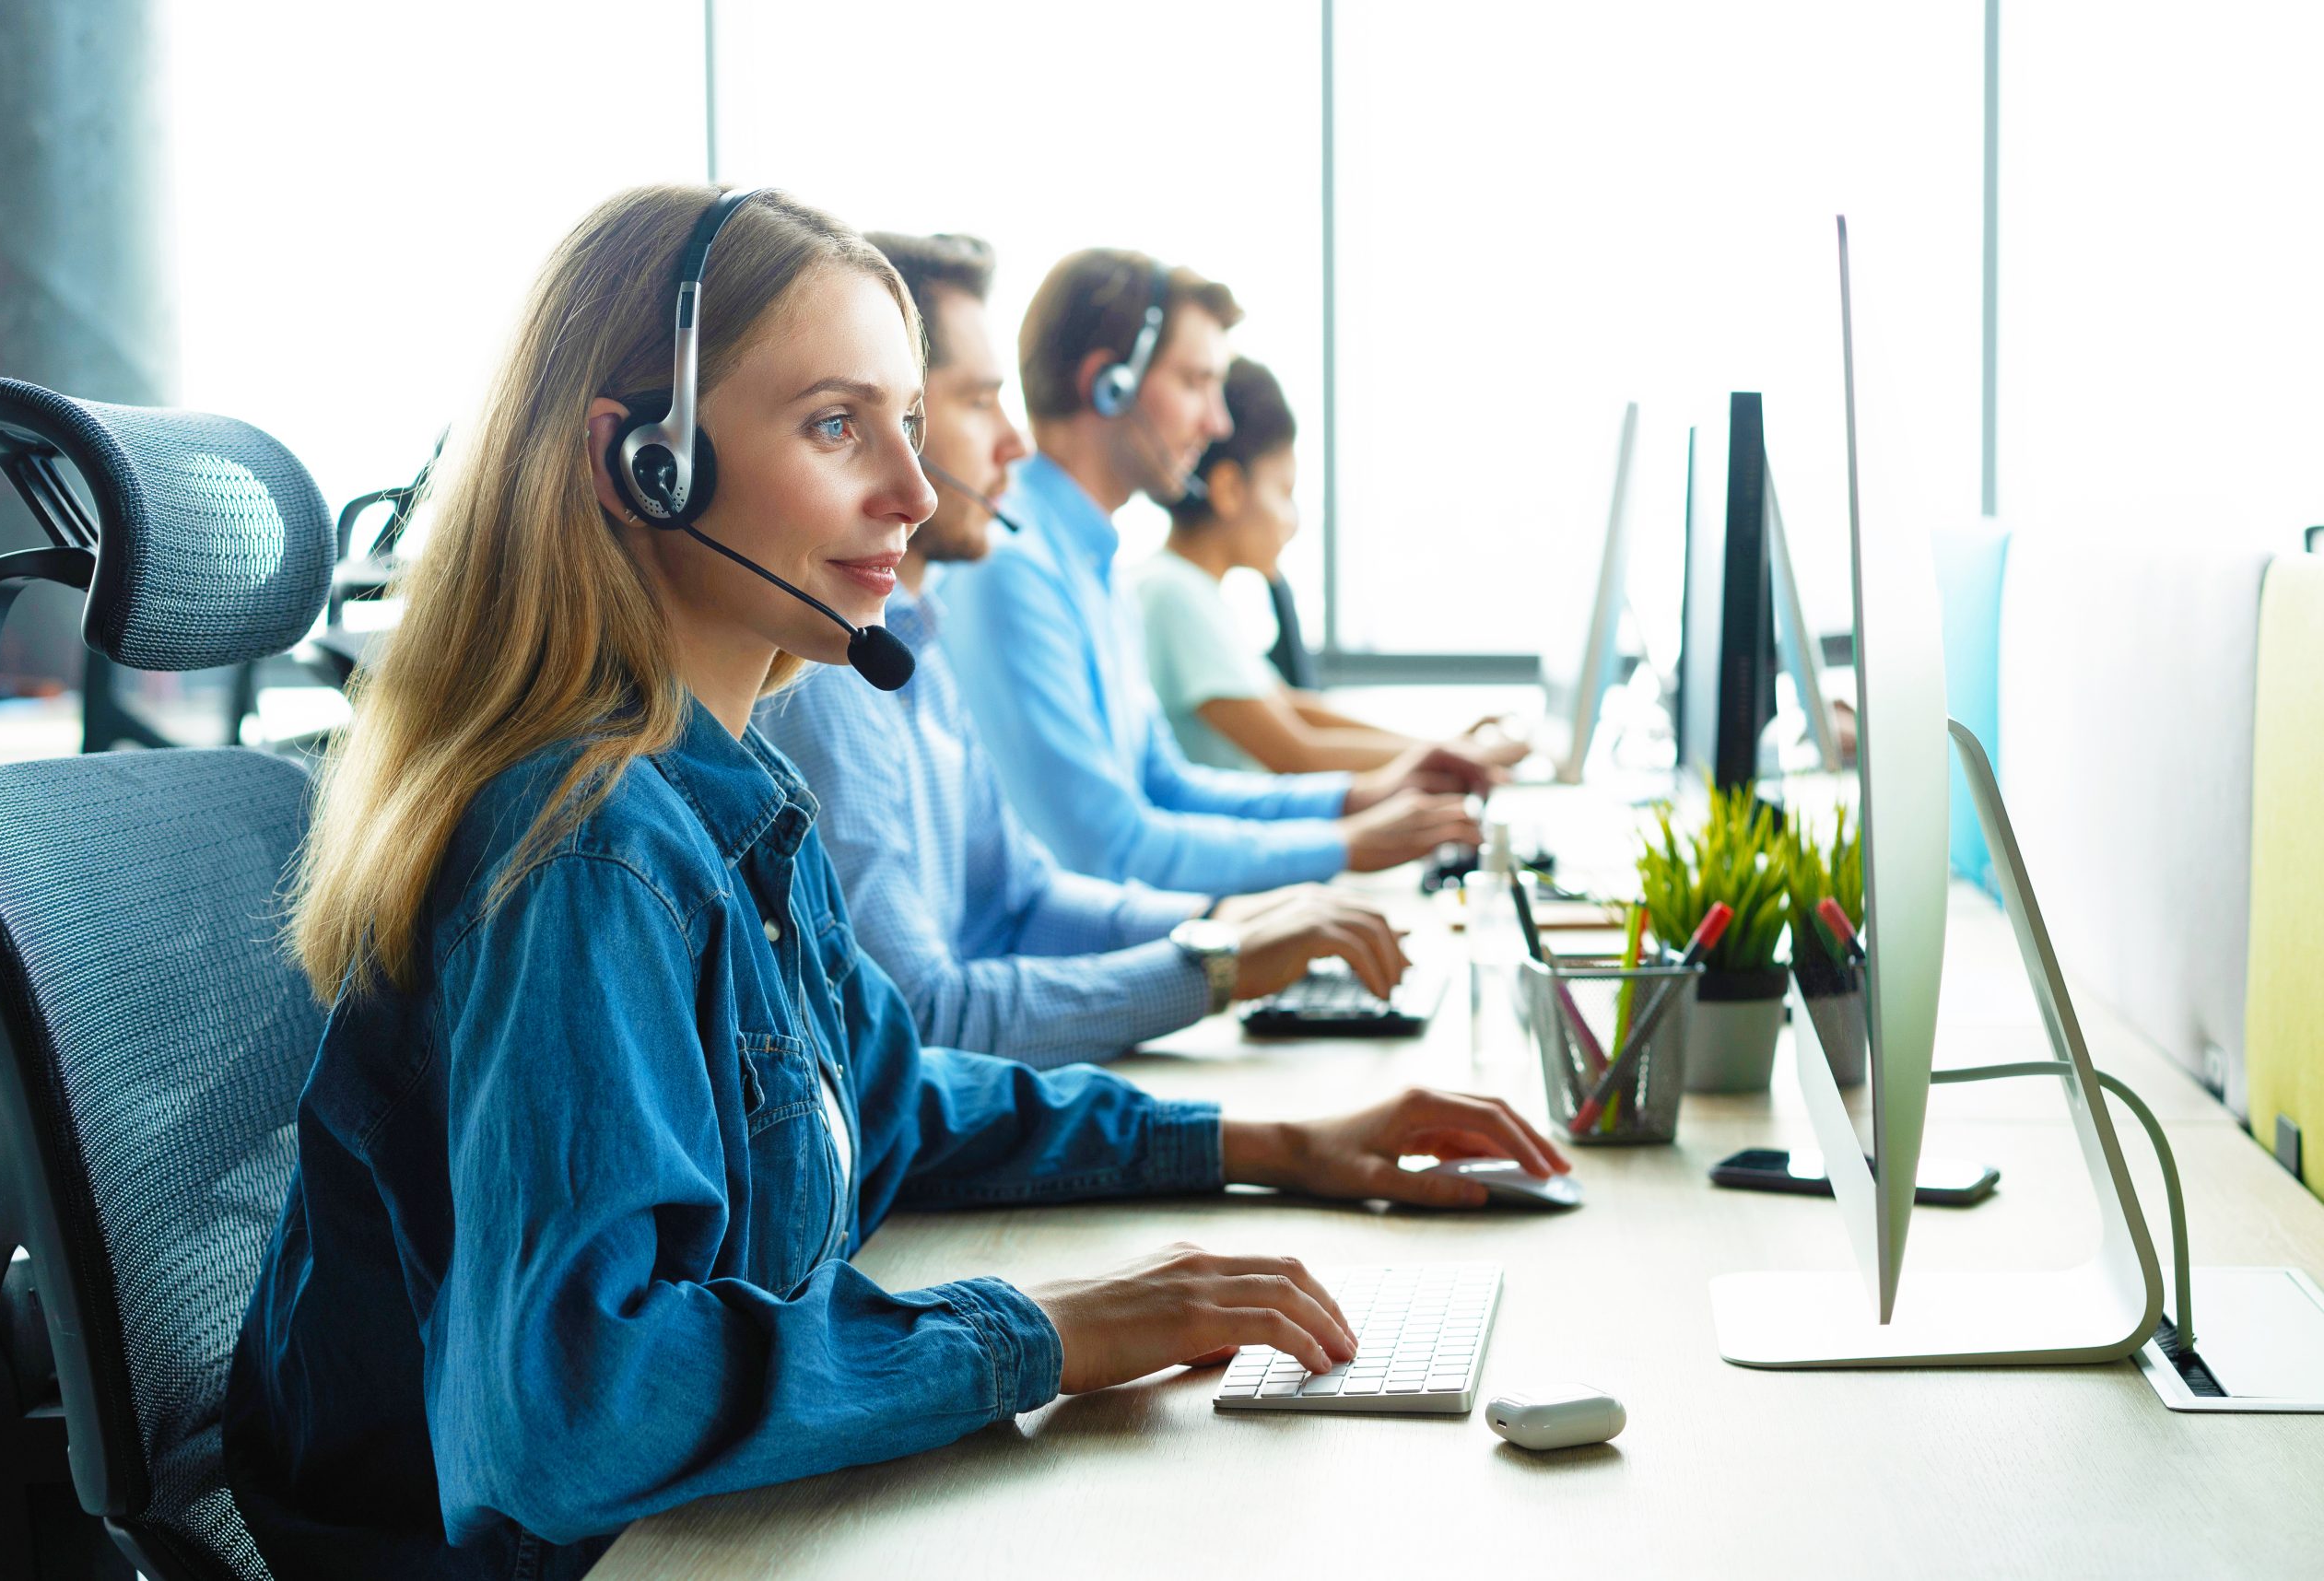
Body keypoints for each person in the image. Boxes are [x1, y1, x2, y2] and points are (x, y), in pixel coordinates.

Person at [226, 185, 1567, 1581]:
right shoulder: (587, 847)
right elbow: (579, 1404)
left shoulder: (731, 805)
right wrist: (1043, 1332)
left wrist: (1275, 1146)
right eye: (834, 426)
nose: (917, 496)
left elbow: (894, 1099)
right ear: (644, 466)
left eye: (911, 427)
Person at [760, 233, 1410, 1069]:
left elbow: (1022, 897)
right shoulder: (863, 657)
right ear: (1107, 381)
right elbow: (918, 1016)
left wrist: (1218, 928)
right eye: (972, 404)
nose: (1013, 444)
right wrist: (1215, 959)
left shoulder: (924, 634)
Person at [933, 247, 1493, 895]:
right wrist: (1343, 846)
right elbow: (1108, 850)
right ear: (1107, 384)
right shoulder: (1011, 567)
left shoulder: (1096, 566)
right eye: (1196, 383)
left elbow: (1166, 785)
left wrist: (1364, 797)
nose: (1217, 420)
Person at [1132, 356, 1533, 776]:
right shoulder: (1172, 595)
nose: (1293, 520)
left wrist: (1446, 747)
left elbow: (1290, 707)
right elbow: (1300, 754)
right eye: (1284, 491)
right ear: (1230, 489)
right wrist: (1456, 759)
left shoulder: (1189, 591)